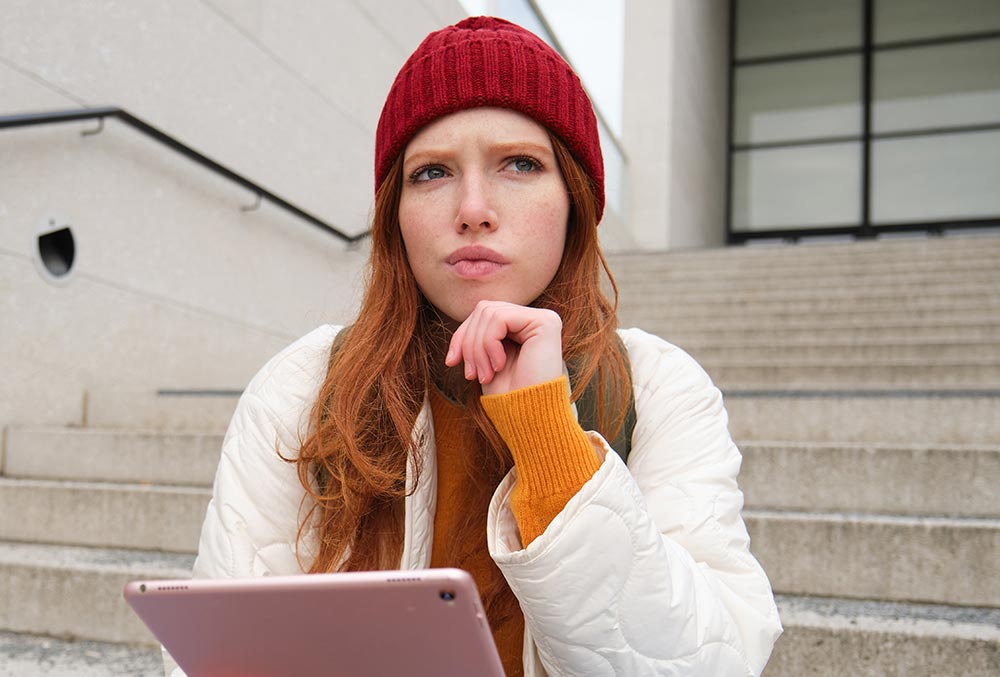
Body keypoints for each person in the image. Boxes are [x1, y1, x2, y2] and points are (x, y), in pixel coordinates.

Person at [185, 16, 782, 677]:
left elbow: (712, 661)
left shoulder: (659, 384)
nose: (473, 207)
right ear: (395, 216)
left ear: (575, 200)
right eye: (432, 172)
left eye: (520, 164)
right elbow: (218, 651)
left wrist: (551, 443)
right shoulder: (301, 384)